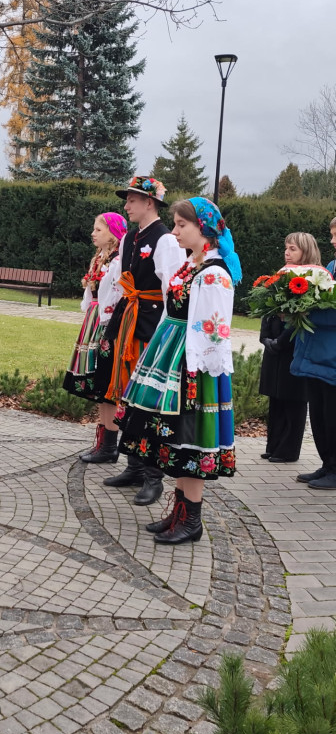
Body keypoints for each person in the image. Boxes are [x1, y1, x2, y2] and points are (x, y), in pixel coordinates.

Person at [117, 197, 242, 545]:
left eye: (181, 225)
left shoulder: (214, 274)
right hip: (173, 353)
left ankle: (192, 520)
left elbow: (214, 330)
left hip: (194, 365)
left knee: (191, 439)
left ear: (203, 229)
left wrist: (192, 370)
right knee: (175, 440)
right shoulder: (192, 265)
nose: (174, 231)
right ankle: (180, 513)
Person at [92, 176, 185, 506]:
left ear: (150, 202)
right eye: (127, 200)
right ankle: (132, 465)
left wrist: (160, 336)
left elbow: (171, 290)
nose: (126, 205)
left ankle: (152, 477)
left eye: (132, 200)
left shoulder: (165, 240)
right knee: (127, 396)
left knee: (148, 399)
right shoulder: (131, 236)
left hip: (147, 325)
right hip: (128, 318)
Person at [63, 213, 128, 462]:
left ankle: (109, 445)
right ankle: (103, 442)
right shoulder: (100, 259)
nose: (93, 233)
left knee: (106, 382)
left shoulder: (119, 261)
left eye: (98, 229)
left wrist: (106, 323)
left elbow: (117, 294)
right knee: (98, 384)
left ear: (112, 233)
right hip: (94, 319)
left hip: (107, 324)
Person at [259, 232, 321, 463]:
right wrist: (265, 337)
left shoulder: (314, 278)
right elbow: (267, 308)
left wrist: (282, 341)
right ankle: (273, 445)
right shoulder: (281, 274)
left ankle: (288, 450)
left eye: (293, 248)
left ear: (306, 251)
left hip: (293, 347)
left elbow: (302, 316)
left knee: (292, 399)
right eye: (286, 247)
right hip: (274, 345)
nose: (287, 252)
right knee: (275, 397)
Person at [291, 217, 336, 490]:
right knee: (319, 413)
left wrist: (310, 309)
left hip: (331, 355)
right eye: (331, 234)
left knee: (332, 413)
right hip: (318, 353)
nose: (332, 240)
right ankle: (328, 463)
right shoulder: (331, 267)